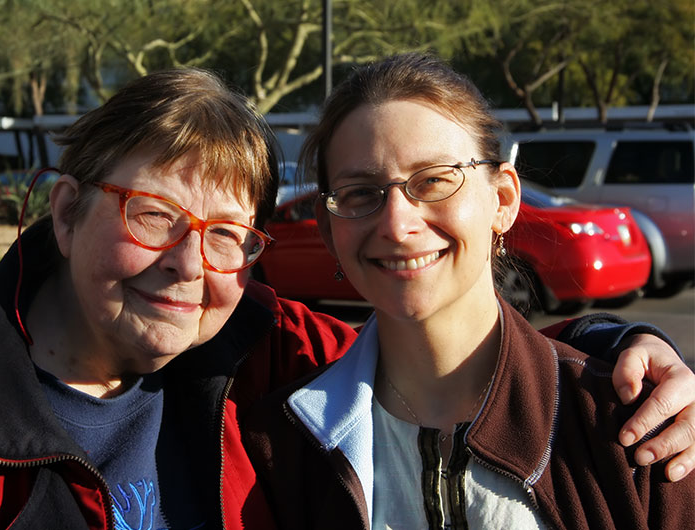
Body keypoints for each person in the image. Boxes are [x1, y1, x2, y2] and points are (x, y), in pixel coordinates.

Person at [0, 66, 692, 530]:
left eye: (226, 235)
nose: (187, 266)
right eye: (153, 216)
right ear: (66, 213)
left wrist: (615, 346)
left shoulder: (274, 364)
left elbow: (449, 352)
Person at [243, 53, 695, 529]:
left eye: (434, 181)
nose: (397, 225)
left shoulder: (630, 429)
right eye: (360, 192)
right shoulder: (284, 443)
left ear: (502, 201)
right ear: (330, 229)